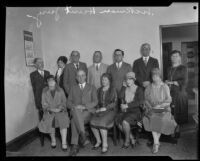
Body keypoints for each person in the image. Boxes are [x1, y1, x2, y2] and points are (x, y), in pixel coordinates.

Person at [142, 68, 178, 154]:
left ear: (160, 76)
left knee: (158, 118)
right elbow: (146, 100)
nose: (154, 78)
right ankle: (156, 142)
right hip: (152, 109)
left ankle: (156, 143)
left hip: (163, 109)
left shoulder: (165, 86)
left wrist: (160, 105)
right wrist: (150, 106)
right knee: (153, 116)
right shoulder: (149, 87)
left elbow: (168, 101)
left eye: (156, 76)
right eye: (153, 76)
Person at [132, 43, 159, 146]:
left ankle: (151, 137)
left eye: (147, 48)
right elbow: (135, 75)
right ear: (141, 50)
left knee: (150, 110)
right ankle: (141, 133)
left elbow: (156, 73)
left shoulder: (154, 61)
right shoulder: (136, 62)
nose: (145, 50)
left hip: (151, 89)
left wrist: (149, 82)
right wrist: (142, 82)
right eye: (143, 48)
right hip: (140, 89)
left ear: (150, 50)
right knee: (141, 110)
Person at [67, 69, 98, 156]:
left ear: (85, 76)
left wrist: (84, 107)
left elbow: (95, 102)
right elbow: (68, 102)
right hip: (76, 111)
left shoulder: (92, 87)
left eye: (82, 75)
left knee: (73, 121)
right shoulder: (73, 88)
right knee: (75, 115)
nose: (81, 77)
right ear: (76, 78)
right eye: (78, 76)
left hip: (87, 112)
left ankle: (74, 146)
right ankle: (83, 135)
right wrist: (76, 107)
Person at [38, 75, 69, 151]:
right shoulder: (44, 91)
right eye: (49, 81)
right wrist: (50, 109)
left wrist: (60, 108)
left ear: (55, 82)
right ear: (47, 82)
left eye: (53, 80)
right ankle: (53, 139)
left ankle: (64, 142)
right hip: (49, 111)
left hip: (60, 111)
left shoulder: (60, 90)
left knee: (63, 119)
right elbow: (43, 103)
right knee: (49, 121)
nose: (51, 82)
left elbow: (64, 102)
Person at [90, 73, 118, 154]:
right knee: (92, 121)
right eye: (102, 79)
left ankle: (105, 144)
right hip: (100, 110)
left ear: (109, 81)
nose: (103, 81)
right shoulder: (99, 90)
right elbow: (96, 102)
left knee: (102, 122)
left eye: (105, 80)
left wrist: (106, 108)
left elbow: (115, 103)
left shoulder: (113, 89)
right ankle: (99, 141)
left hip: (111, 110)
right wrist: (97, 109)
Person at [115, 72, 144, 149]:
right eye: (127, 79)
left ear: (134, 80)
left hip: (135, 112)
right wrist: (123, 87)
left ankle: (127, 141)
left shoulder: (139, 89)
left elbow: (140, 102)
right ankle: (131, 138)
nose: (128, 81)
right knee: (118, 122)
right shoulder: (125, 87)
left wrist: (127, 105)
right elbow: (120, 96)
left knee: (125, 122)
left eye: (130, 79)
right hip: (125, 111)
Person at [165, 50, 188, 124]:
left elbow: (185, 81)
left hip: (179, 92)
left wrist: (174, 82)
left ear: (180, 58)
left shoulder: (183, 68)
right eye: (172, 56)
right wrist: (167, 81)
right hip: (170, 92)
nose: (174, 58)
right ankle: (172, 127)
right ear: (170, 58)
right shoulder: (169, 68)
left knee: (179, 113)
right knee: (172, 111)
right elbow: (169, 79)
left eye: (176, 56)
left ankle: (179, 129)